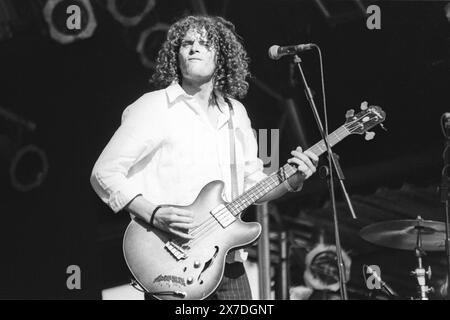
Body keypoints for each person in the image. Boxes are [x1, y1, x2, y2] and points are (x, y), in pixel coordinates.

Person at [90, 15, 318, 300]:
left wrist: (292, 179)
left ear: (221, 57)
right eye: (186, 44)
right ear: (177, 55)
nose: (193, 48)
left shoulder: (236, 112)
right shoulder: (154, 107)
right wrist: (154, 213)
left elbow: (253, 186)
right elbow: (104, 173)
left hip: (227, 263)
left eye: (204, 43)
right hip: (172, 263)